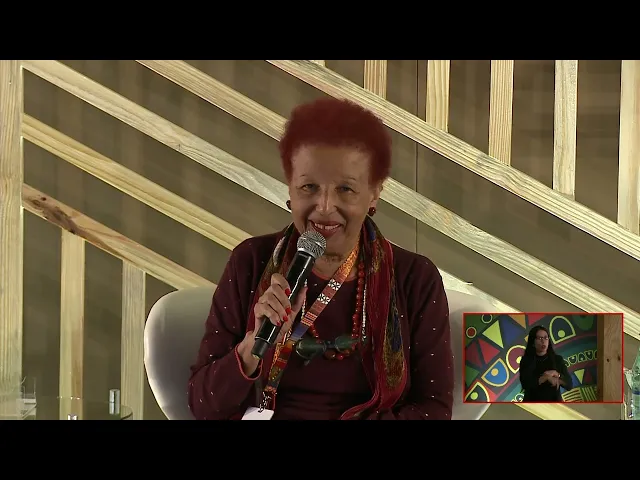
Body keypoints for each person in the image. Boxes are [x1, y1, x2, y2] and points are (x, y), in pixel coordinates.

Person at [187, 97, 454, 420]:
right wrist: (252, 346)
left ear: (375, 193)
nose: (325, 207)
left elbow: (434, 409)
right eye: (309, 187)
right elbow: (204, 405)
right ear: (290, 188)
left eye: (345, 189)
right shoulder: (250, 262)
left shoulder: (415, 278)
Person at [518, 325, 573, 402]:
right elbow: (526, 384)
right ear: (533, 342)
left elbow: (569, 385)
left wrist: (557, 374)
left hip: (554, 404)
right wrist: (545, 377)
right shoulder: (526, 361)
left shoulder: (557, 359)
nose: (543, 341)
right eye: (539, 338)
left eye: (546, 338)